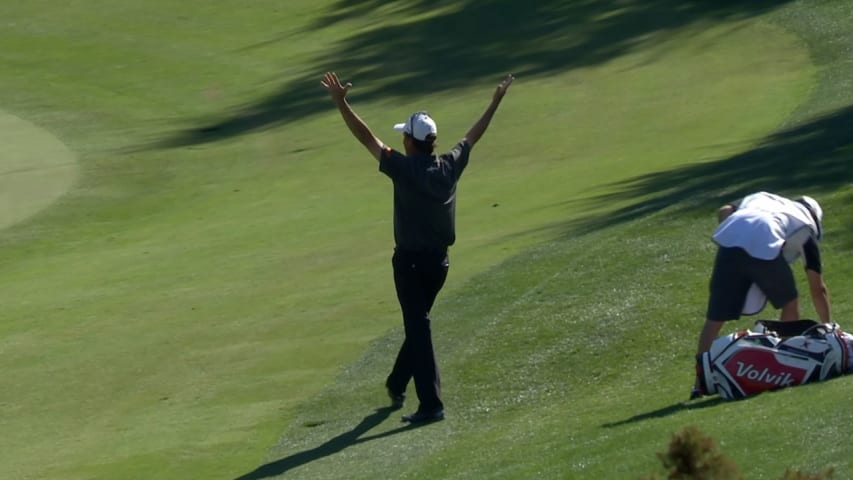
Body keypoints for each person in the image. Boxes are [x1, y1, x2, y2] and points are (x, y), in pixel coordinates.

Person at [321, 71, 515, 422]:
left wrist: (342, 104)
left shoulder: (404, 168)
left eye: (405, 135)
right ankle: (397, 382)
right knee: (418, 323)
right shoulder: (448, 166)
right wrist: (495, 102)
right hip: (439, 265)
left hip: (409, 265)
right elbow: (473, 136)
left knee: (418, 326)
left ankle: (431, 405)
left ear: (411, 142)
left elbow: (368, 139)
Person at [691, 191, 830, 399]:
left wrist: (739, 234)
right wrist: (828, 328)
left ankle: (698, 385)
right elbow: (817, 289)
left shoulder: (766, 198)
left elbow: (725, 211)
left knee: (714, 319)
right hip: (765, 233)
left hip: (730, 239)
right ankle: (786, 362)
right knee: (790, 302)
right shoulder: (806, 227)